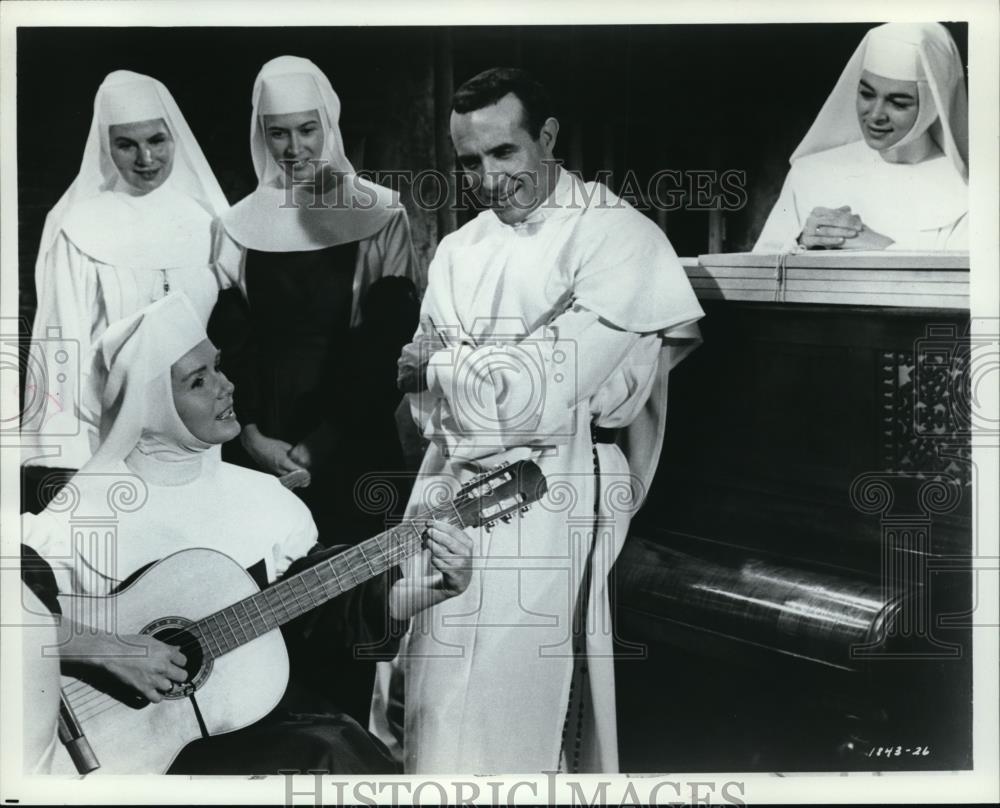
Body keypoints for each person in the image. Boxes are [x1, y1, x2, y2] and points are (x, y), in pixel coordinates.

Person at [373, 68, 704, 774]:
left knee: (513, 708)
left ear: (547, 137)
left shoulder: (617, 236)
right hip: (449, 485)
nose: (489, 179)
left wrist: (446, 367)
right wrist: (473, 376)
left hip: (557, 491)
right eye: (470, 162)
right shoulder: (459, 250)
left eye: (505, 152)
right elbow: (426, 405)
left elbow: (544, 395)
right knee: (433, 704)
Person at [21, 293, 473, 775]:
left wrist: (431, 590)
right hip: (129, 752)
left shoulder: (265, 498)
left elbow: (322, 615)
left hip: (248, 726)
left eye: (218, 367)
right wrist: (113, 650)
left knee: (340, 755)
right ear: (150, 405)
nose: (227, 386)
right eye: (199, 381)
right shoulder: (78, 514)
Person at [214, 55, 420, 544]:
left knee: (360, 569)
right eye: (278, 133)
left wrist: (327, 437)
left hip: (356, 424)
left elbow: (390, 338)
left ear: (328, 124)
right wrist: (251, 434)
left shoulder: (382, 215)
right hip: (263, 435)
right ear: (261, 135)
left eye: (307, 129)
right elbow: (230, 341)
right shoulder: (235, 226)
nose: (294, 148)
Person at [22, 70, 229, 511]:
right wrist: (63, 460)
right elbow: (59, 345)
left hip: (198, 433)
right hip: (107, 433)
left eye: (156, 140)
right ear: (106, 145)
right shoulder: (78, 225)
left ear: (175, 138)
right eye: (126, 144)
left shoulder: (209, 221)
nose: (145, 158)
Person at [753, 23, 968, 253]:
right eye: (866, 94)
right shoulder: (809, 173)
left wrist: (881, 247)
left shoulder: (965, 189)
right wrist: (800, 243)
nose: (875, 115)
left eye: (897, 103)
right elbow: (758, 268)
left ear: (933, 104)